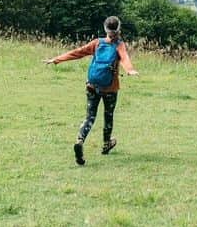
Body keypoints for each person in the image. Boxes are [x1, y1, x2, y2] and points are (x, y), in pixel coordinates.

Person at [44, 16, 138, 164]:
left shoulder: (97, 43)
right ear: (118, 29)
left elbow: (77, 52)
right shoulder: (119, 45)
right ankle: (106, 143)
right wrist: (129, 70)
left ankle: (80, 140)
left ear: (105, 29)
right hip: (110, 88)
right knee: (108, 116)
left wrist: (56, 59)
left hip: (92, 86)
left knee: (90, 117)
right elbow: (124, 57)